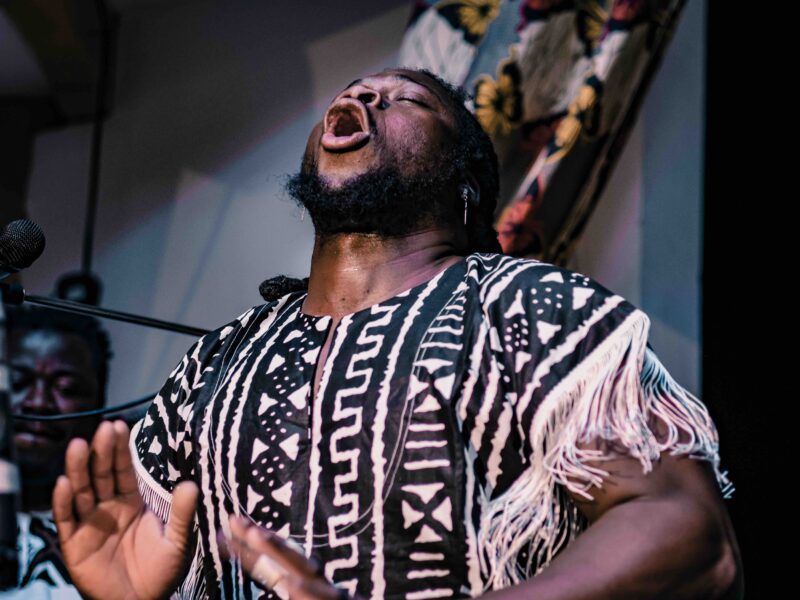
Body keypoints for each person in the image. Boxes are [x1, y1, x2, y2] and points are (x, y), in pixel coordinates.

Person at [50, 67, 743, 600]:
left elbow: (690, 535)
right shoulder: (216, 361)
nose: (369, 96)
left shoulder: (530, 303)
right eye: (357, 91)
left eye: (407, 100)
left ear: (465, 183)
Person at [5, 305, 111, 597]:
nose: (38, 403)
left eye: (66, 388)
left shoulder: (126, 536)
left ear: (101, 407)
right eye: (18, 382)